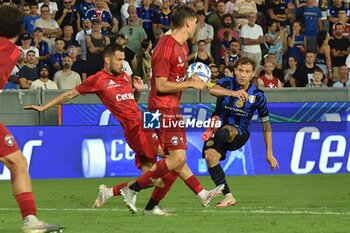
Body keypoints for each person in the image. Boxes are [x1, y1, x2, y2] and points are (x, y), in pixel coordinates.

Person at [25, 44, 224, 214]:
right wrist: (45, 106)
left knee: (157, 180)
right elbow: (70, 94)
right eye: (119, 59)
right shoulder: (97, 80)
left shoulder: (125, 76)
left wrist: (137, 92)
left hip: (146, 119)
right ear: (107, 60)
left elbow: (131, 102)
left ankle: (111, 192)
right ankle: (200, 193)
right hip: (134, 128)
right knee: (175, 158)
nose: (122, 63)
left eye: (123, 60)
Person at [119, 5, 210, 216]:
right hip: (161, 109)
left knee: (174, 159)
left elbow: (174, 79)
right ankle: (131, 189)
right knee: (176, 158)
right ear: (188, 23)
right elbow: (160, 85)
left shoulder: (183, 47)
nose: (197, 26)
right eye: (195, 22)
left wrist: (190, 79)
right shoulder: (166, 47)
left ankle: (155, 205)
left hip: (169, 108)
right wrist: (189, 84)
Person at [0, 5, 64, 233]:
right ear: (19, 28)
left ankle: (31, 220)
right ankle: (30, 221)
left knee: (17, 162)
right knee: (18, 163)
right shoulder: (12, 51)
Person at [201, 56, 279, 206]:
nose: (243, 74)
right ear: (235, 71)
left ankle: (214, 133)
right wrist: (233, 94)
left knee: (228, 129)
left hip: (239, 134)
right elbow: (213, 90)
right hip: (218, 131)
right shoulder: (226, 82)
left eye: (247, 71)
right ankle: (228, 196)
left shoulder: (258, 95)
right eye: (241, 70)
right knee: (210, 156)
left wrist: (269, 152)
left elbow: (266, 125)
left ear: (252, 74)